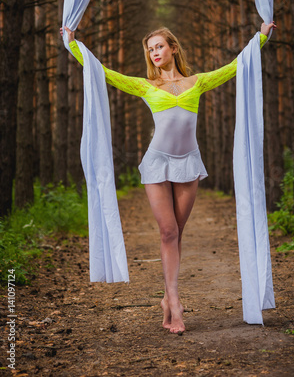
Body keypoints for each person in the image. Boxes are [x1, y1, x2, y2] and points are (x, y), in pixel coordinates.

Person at [60, 21, 276, 334]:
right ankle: (175, 302)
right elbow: (103, 72)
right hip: (157, 163)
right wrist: (74, 45)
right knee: (167, 231)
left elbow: (234, 67)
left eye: (159, 46)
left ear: (173, 48)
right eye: (150, 49)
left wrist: (261, 38)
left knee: (177, 233)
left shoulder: (197, 82)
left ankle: (165, 297)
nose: (154, 52)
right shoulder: (145, 86)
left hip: (188, 163)